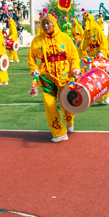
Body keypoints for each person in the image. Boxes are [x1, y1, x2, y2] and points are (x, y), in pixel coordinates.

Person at [27, 14, 81, 143]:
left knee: (65, 103)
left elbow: (74, 54)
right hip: (46, 76)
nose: (46, 26)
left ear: (54, 23)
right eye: (43, 23)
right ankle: (59, 132)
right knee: (49, 105)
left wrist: (75, 68)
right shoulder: (37, 40)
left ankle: (69, 120)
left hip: (64, 74)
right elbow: (31, 57)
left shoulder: (64, 37)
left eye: (48, 23)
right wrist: (34, 68)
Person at [80, 13, 109, 104]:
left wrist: (102, 52)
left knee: (101, 77)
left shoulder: (97, 28)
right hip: (91, 58)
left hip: (99, 56)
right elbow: (83, 46)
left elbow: (103, 41)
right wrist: (77, 55)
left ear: (88, 21)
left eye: (84, 20)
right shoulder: (86, 32)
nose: (82, 21)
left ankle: (108, 94)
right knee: (93, 78)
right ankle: (99, 98)